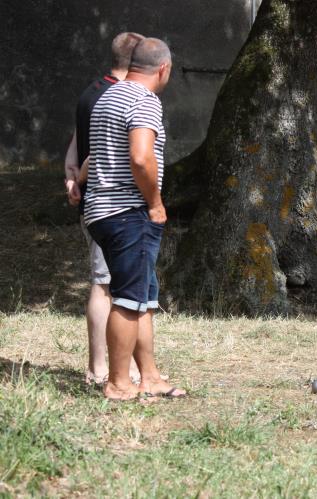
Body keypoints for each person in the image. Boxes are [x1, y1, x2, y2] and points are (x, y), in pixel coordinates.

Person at [84, 37, 185, 400]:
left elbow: (95, 154)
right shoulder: (145, 101)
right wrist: (155, 203)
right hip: (129, 213)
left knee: (142, 296)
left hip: (101, 212)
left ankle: (151, 377)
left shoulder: (107, 96)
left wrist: (78, 181)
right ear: (164, 69)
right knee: (128, 299)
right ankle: (118, 383)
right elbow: (141, 158)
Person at [63, 32, 144, 386]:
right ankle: (100, 368)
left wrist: (68, 174)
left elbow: (76, 142)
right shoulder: (120, 96)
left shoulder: (90, 92)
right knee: (105, 286)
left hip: (94, 203)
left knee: (109, 283)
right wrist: (79, 179)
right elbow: (99, 152)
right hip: (110, 204)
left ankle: (119, 367)